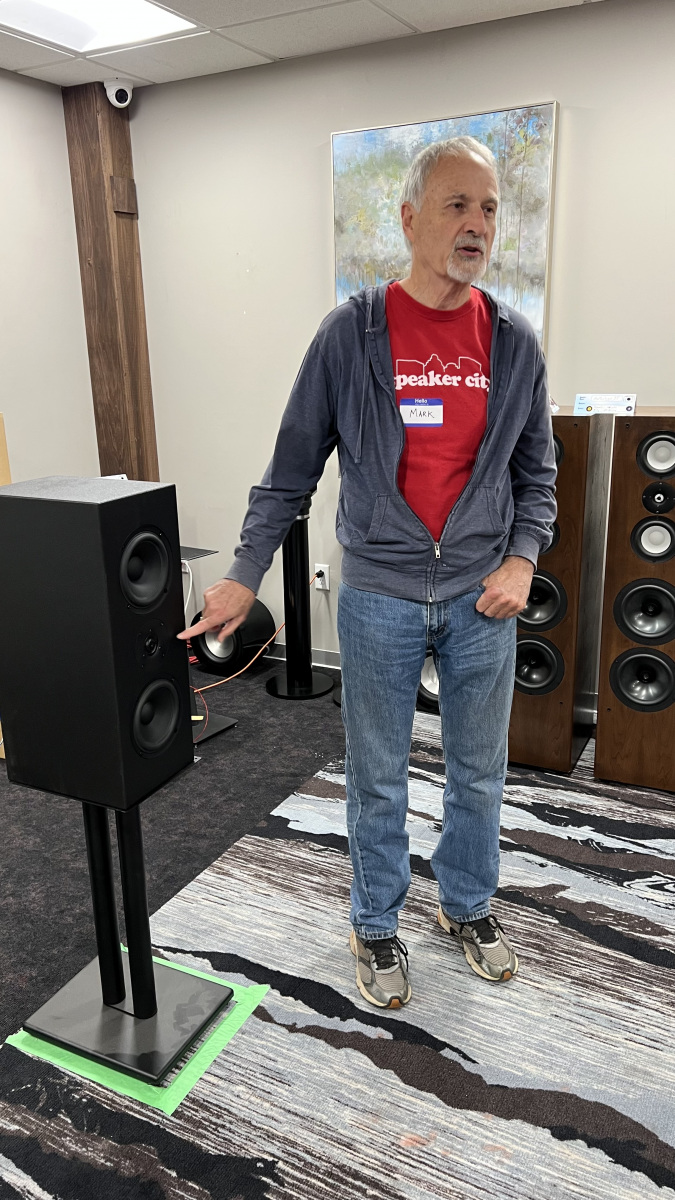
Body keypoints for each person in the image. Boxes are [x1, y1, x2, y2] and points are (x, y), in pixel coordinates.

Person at [180, 136, 556, 1010]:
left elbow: (537, 475)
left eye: (488, 208)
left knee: (478, 771)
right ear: (410, 218)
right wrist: (244, 571)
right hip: (379, 594)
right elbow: (290, 470)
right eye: (457, 205)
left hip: (480, 599)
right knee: (377, 775)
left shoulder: (512, 342)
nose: (475, 225)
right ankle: (375, 922)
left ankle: (466, 906)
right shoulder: (351, 334)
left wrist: (521, 558)